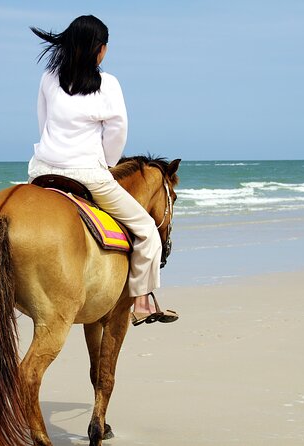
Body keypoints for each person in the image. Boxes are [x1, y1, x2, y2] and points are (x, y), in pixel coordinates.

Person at [28, 15, 178, 326]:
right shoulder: (108, 84)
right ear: (101, 50)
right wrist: (107, 163)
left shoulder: (48, 78)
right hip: (87, 174)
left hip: (41, 171)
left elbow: (43, 124)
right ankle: (141, 303)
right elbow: (117, 130)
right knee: (148, 232)